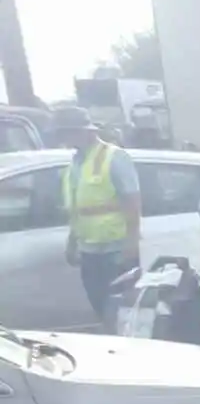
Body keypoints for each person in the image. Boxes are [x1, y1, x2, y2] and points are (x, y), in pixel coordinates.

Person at [50, 104, 142, 324]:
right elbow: (78, 207)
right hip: (89, 250)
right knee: (100, 306)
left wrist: (132, 243)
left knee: (122, 312)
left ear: (82, 131)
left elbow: (132, 200)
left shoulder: (114, 156)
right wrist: (72, 242)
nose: (62, 139)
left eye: (63, 133)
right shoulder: (76, 162)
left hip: (115, 249)